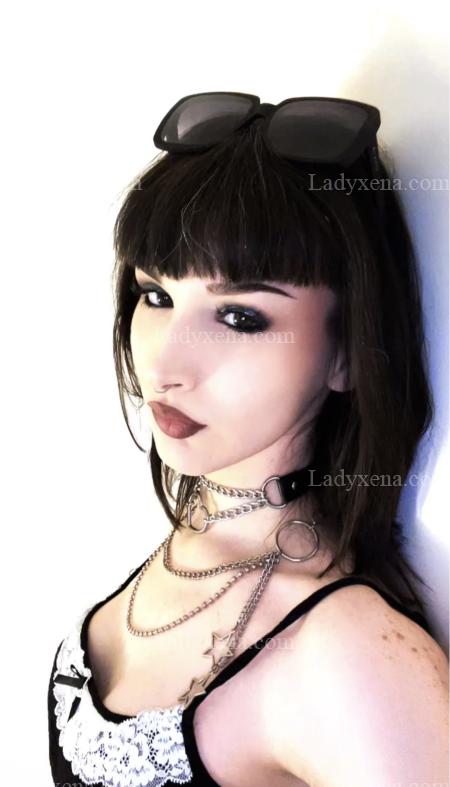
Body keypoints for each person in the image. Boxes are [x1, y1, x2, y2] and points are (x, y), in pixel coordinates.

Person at [48, 93, 449, 787]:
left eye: (239, 317)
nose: (164, 366)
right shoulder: (190, 546)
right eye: (156, 295)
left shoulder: (348, 657)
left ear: (347, 352)